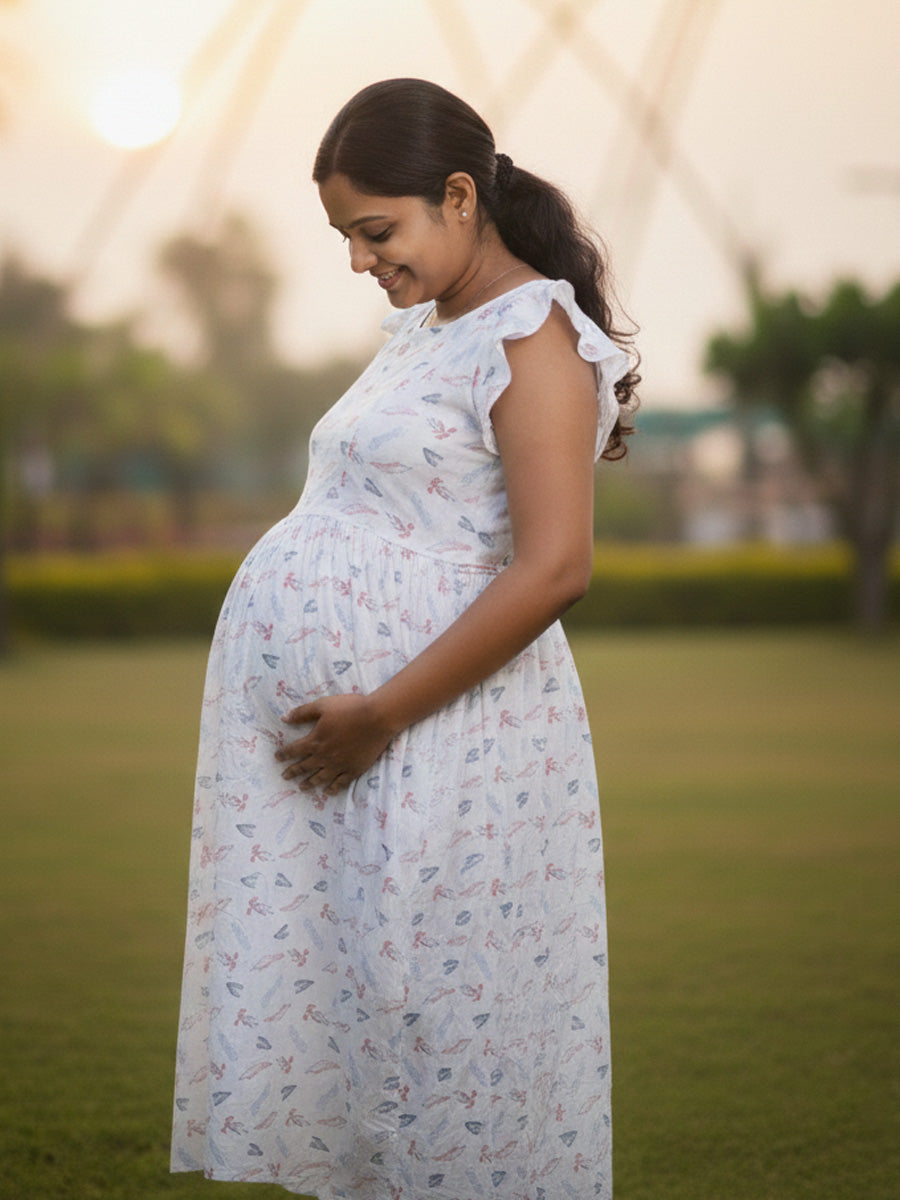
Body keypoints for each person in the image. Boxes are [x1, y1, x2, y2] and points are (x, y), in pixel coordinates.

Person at [171, 77, 637, 1199]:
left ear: (460, 197)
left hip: (443, 740)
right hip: (375, 752)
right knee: (368, 1018)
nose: (358, 260)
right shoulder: (430, 330)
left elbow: (556, 566)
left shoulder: (533, 336)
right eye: (345, 236)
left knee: (438, 1022)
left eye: (375, 231)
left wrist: (382, 712)